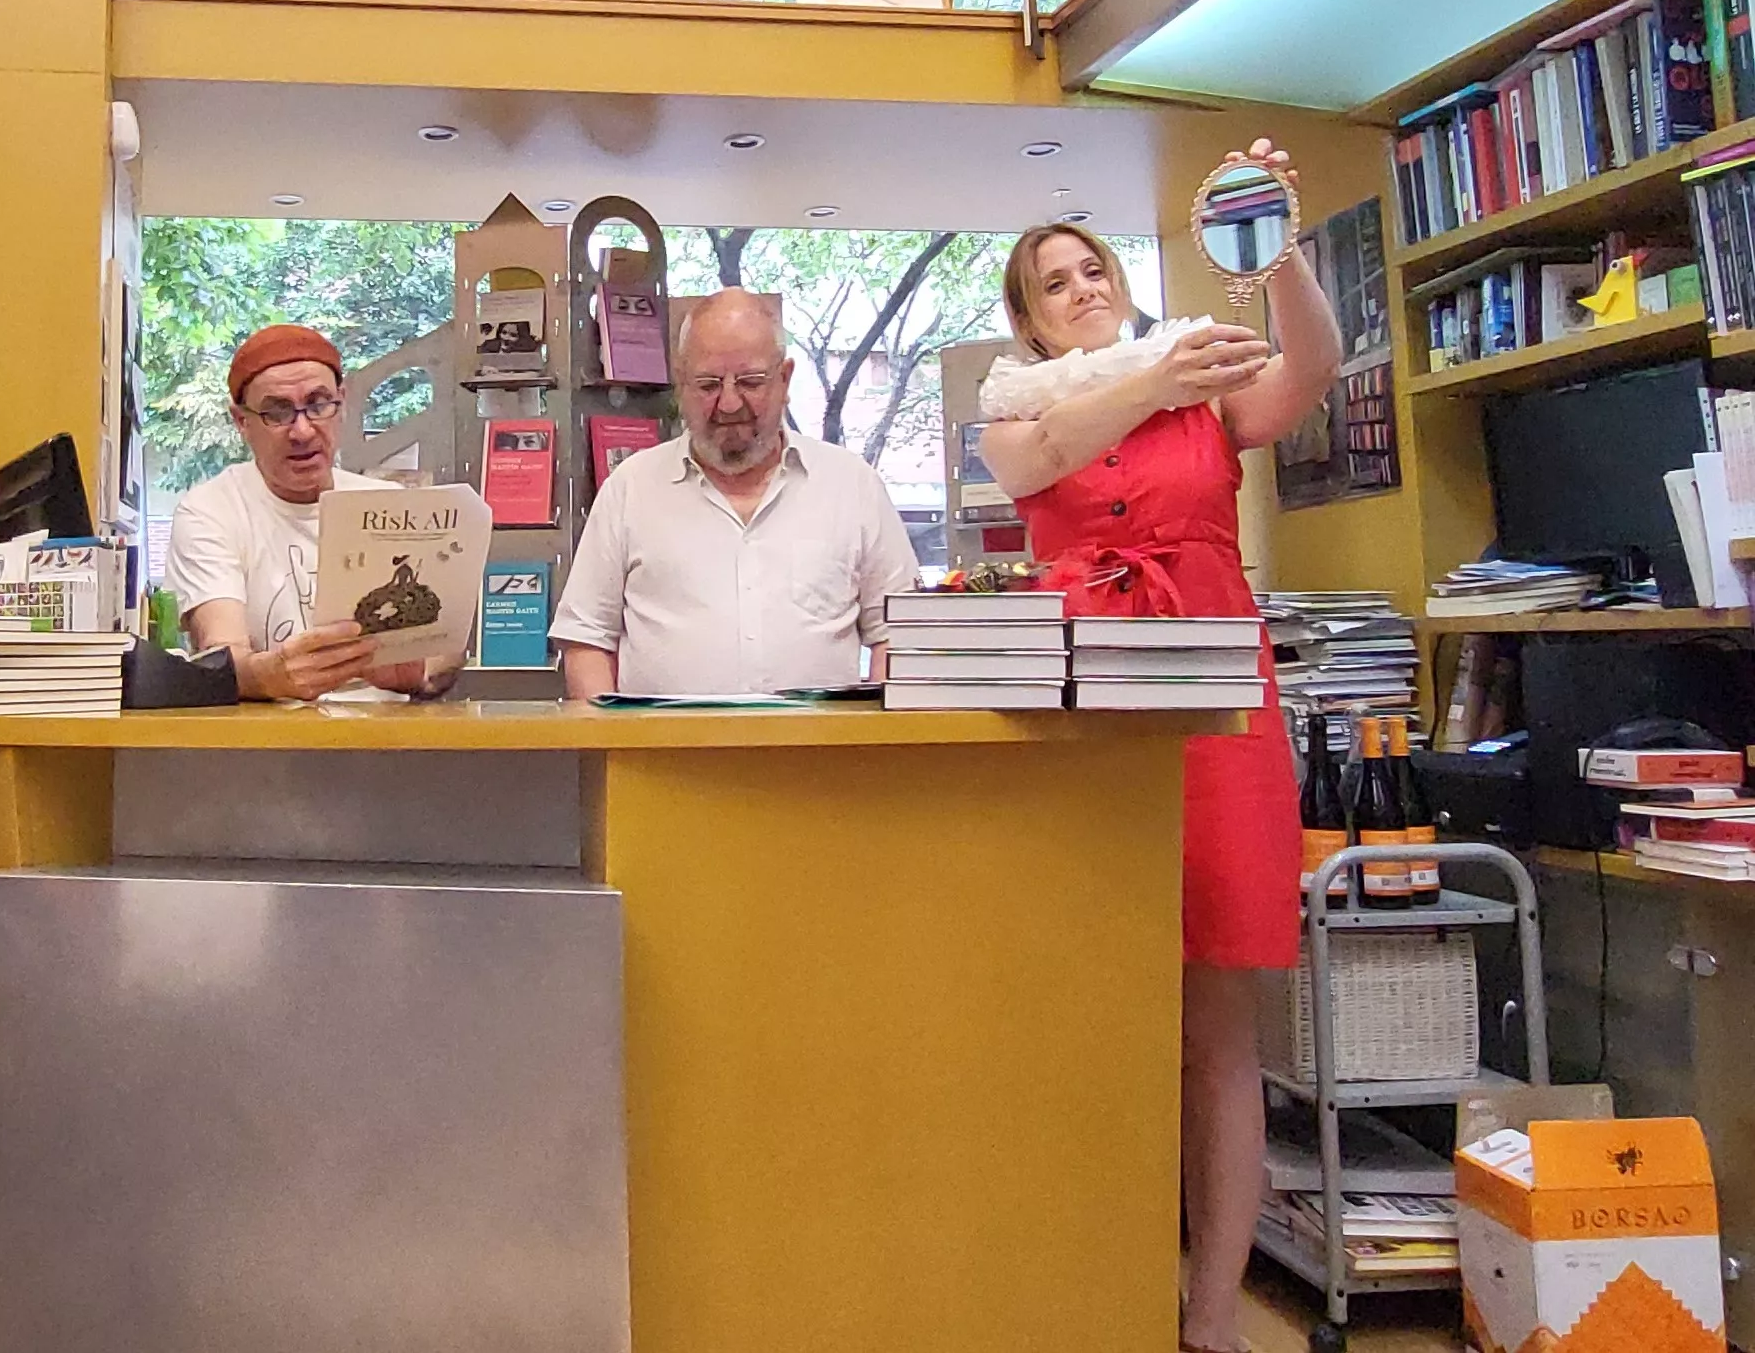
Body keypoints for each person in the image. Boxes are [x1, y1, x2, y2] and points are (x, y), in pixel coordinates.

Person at [971, 142, 1337, 1353]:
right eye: (1053, 283)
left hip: (1215, 710)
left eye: (1092, 270)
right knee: (1079, 1001)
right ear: (1027, 321)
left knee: (1217, 1024)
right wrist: (1145, 375)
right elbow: (1044, 461)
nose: (1080, 288)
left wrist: (1276, 251)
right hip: (1080, 717)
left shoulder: (1205, 386)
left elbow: (1311, 370)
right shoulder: (1016, 410)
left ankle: (1210, 1311)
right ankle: (1081, 1283)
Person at [552, 289, 919, 697]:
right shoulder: (630, 488)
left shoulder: (853, 486)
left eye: (750, 382)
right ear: (681, 384)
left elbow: (901, 633)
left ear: (785, 379)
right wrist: (609, 733)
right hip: (660, 741)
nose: (728, 404)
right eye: (708, 384)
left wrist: (877, 730)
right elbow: (587, 639)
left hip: (821, 740)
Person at [166, 324, 460, 702]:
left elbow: (446, 651)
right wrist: (269, 676)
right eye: (277, 412)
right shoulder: (211, 510)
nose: (302, 431)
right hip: (272, 735)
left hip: (388, 731)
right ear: (242, 422)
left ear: (342, 403)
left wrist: (417, 673)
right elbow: (220, 653)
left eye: (318, 405)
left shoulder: (392, 505)